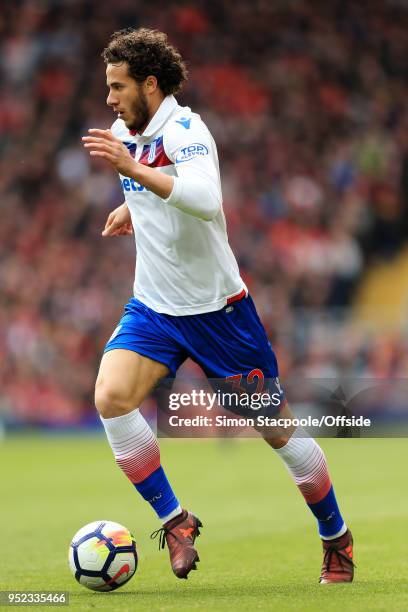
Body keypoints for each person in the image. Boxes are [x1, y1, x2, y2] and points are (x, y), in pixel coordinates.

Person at [82, 27, 354, 583]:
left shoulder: (188, 129)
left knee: (279, 434)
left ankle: (336, 537)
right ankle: (176, 520)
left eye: (118, 86)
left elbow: (206, 200)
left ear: (149, 84)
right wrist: (133, 208)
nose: (109, 98)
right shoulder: (122, 131)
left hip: (219, 315)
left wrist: (134, 174)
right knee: (110, 396)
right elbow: (161, 191)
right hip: (155, 308)